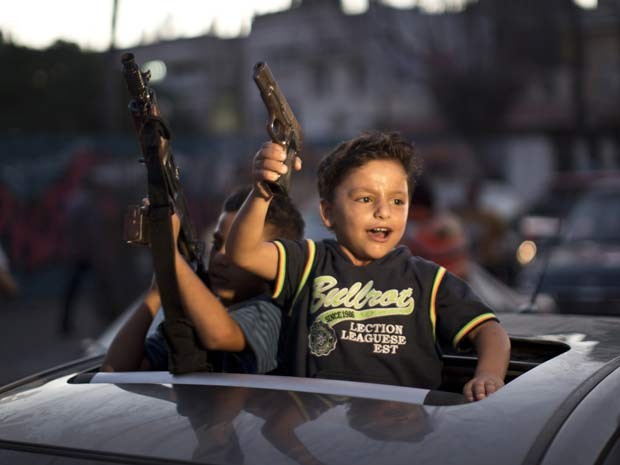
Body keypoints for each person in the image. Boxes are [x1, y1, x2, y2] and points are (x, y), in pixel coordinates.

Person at [227, 131, 511, 402]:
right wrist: (263, 189)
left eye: (397, 201)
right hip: (314, 430)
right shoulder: (308, 261)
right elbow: (243, 252)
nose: (383, 211)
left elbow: (490, 330)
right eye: (365, 199)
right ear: (327, 213)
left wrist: (488, 375)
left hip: (403, 436)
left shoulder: (429, 279)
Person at [101, 185, 305, 374]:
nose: (220, 257)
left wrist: (168, 252)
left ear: (272, 262)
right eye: (217, 243)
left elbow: (220, 335)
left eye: (236, 249)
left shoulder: (273, 312)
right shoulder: (196, 319)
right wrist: (156, 295)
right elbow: (114, 371)